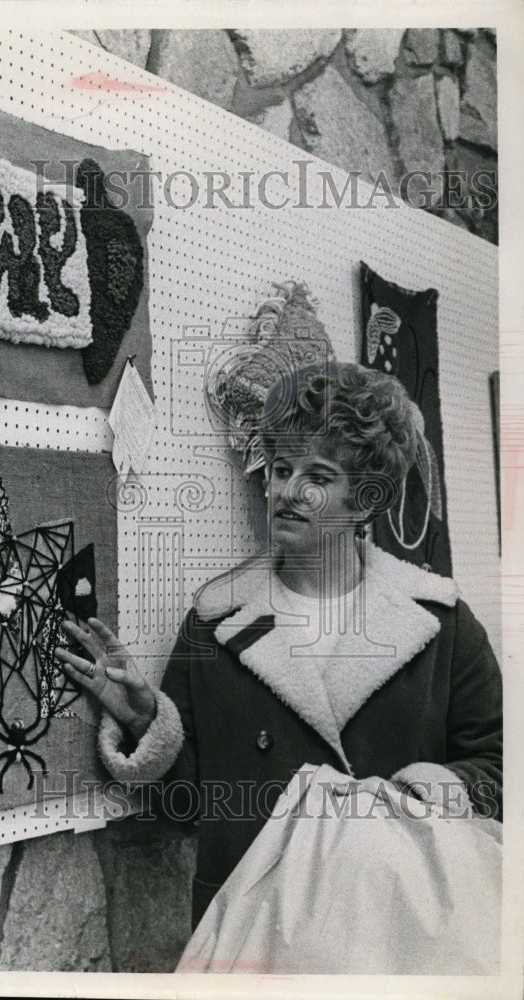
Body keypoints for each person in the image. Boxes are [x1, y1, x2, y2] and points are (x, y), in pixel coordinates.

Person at [55, 360, 503, 933]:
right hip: (252, 931)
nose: (286, 491)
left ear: (366, 501)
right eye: (281, 468)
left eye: (316, 476)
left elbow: (500, 770)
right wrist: (146, 721)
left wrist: (427, 793)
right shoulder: (216, 620)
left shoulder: (441, 623)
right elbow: (186, 805)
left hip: (397, 930)